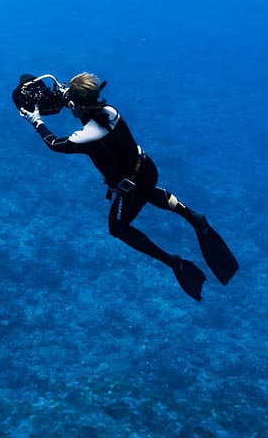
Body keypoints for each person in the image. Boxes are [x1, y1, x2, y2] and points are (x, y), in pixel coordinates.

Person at [16, 72, 238, 301]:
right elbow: (88, 110)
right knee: (147, 192)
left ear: (78, 105)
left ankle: (173, 262)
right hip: (147, 169)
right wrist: (66, 96)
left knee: (117, 227)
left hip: (130, 186)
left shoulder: (88, 135)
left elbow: (55, 144)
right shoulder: (109, 111)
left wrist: (36, 121)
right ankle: (194, 218)